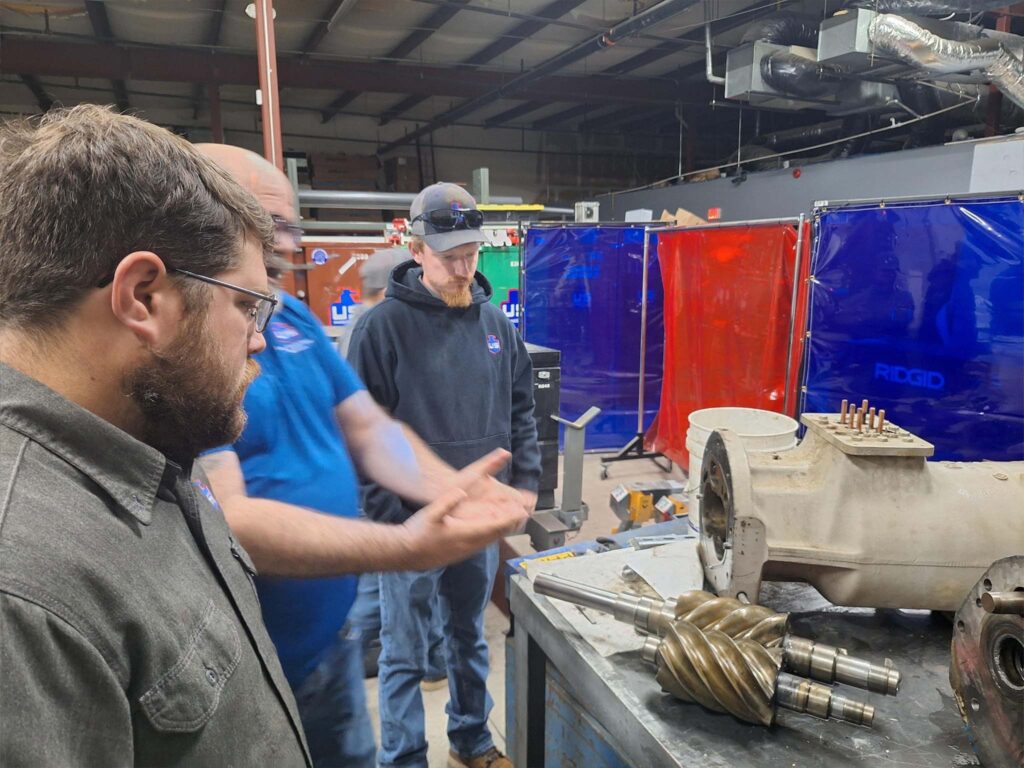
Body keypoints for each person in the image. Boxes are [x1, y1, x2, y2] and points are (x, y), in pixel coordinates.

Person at [194, 146, 526, 768]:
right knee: (404, 652)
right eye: (273, 227)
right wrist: (400, 540)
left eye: (291, 226)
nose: (290, 246)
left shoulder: (289, 317)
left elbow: (371, 428)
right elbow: (228, 518)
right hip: (252, 666)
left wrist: (456, 491)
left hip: (330, 642)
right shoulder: (189, 342)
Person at [0, 105, 312, 765]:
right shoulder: (22, 592)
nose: (259, 340)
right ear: (143, 296)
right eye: (246, 304)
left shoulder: (139, 440)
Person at [347, 182, 540, 768]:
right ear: (417, 249)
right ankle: (403, 757)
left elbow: (522, 409)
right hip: (412, 524)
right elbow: (362, 430)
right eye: (449, 254)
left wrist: (524, 488)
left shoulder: (496, 327)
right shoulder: (382, 329)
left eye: (471, 254)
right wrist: (391, 520)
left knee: (468, 638)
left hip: (478, 524)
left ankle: (471, 741)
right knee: (404, 654)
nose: (463, 267)